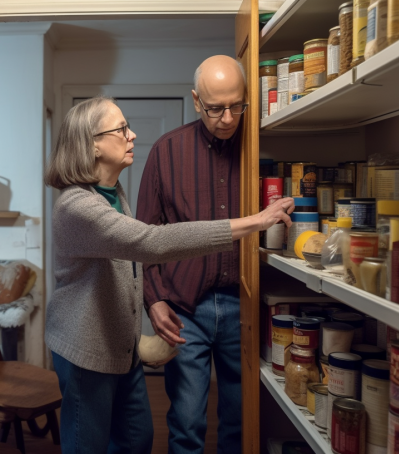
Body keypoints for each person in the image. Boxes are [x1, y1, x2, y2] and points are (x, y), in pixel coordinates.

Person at [44, 94, 293, 454]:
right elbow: (152, 242)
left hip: (120, 349)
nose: (133, 135)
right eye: (122, 129)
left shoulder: (111, 192)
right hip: (86, 351)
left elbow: (125, 264)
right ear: (93, 145)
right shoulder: (77, 207)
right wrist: (256, 221)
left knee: (137, 438)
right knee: (87, 445)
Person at [136, 55, 253, 454]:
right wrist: (154, 301)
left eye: (236, 106)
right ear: (195, 100)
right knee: (187, 424)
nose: (226, 118)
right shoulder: (166, 152)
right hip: (185, 310)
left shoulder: (258, 147)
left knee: (241, 422)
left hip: (246, 307)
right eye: (214, 108)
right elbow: (145, 238)